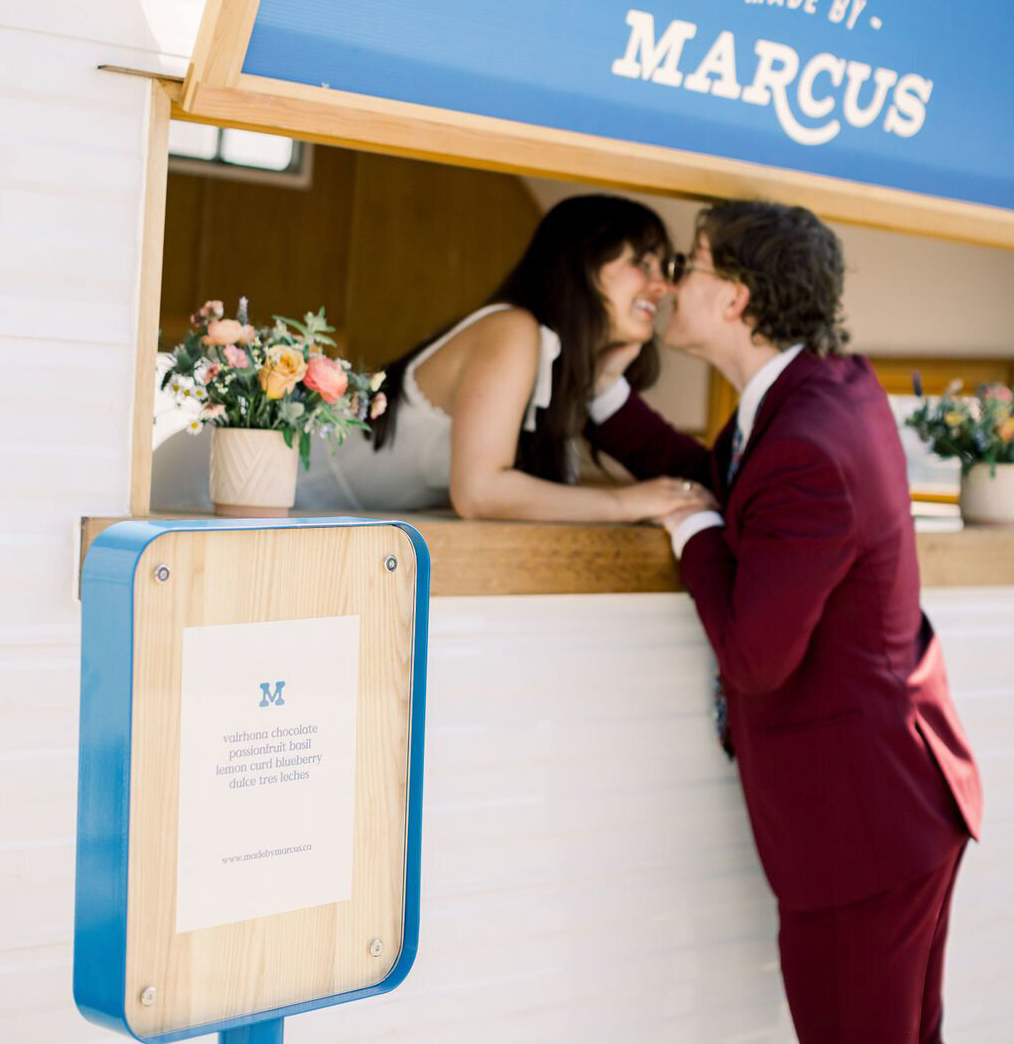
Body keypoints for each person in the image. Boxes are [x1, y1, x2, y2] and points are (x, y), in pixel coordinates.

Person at [588, 199, 982, 1044]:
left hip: (862, 830)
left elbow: (756, 655)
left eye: (687, 264)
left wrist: (688, 528)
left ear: (735, 297)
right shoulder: (819, 389)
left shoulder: (807, 433)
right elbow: (741, 490)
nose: (668, 282)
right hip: (898, 802)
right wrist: (604, 399)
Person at [282, 194, 702, 520]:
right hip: (269, 498)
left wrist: (601, 383)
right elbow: (479, 493)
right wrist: (626, 504)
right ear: (583, 263)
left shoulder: (555, 361)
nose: (661, 287)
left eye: (662, 268)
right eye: (641, 264)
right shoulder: (512, 330)